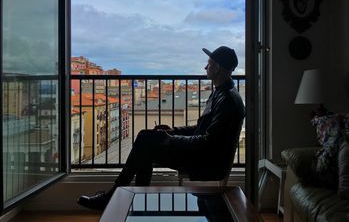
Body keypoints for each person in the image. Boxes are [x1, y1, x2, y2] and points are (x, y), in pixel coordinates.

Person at [77, 46, 245, 210]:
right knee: (145, 137)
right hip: (202, 155)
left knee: (146, 147)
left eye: (209, 63)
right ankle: (128, 199)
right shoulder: (222, 92)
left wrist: (171, 139)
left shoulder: (227, 100)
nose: (205, 67)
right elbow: (201, 129)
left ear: (217, 69)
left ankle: (119, 197)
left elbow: (208, 141)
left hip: (207, 163)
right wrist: (173, 131)